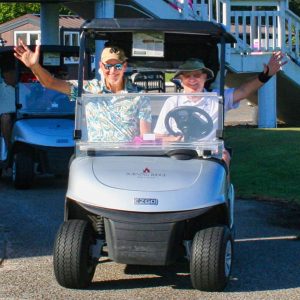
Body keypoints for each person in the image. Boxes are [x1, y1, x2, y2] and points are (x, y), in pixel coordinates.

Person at [154, 52, 287, 166]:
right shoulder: (172, 102)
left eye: (197, 75)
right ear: (181, 80)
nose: (193, 80)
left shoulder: (216, 98)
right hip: (179, 151)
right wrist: (174, 139)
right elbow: (158, 136)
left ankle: (222, 195)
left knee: (224, 157)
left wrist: (266, 75)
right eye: (188, 76)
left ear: (205, 77)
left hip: (209, 152)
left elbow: (243, 91)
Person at [14, 40, 152, 142]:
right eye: (107, 66)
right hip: (96, 157)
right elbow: (50, 83)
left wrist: (161, 139)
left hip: (126, 157)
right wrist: (35, 66)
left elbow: (146, 134)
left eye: (117, 66)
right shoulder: (86, 90)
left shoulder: (139, 95)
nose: (112, 71)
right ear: (100, 66)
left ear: (124, 66)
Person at [0, 63, 16, 150]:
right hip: (4, 116)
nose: (12, 75)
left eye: (13, 73)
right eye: (9, 73)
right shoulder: (1, 88)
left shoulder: (24, 87)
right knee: (5, 118)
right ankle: (9, 149)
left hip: (21, 115)